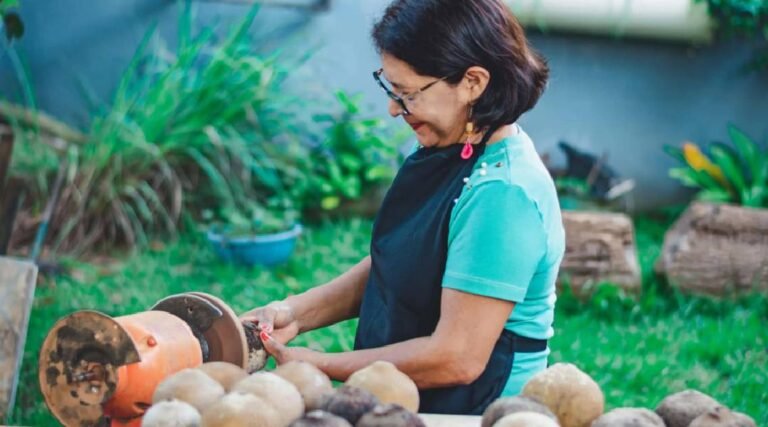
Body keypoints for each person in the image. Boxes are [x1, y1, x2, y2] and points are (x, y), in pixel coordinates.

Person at [241, 0, 565, 415]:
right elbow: (403, 262)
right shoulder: (451, 148)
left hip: (476, 408)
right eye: (390, 88)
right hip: (405, 388)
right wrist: (296, 313)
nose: (394, 108)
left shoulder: (503, 193)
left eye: (408, 93)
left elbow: (456, 357)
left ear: (473, 82)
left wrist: (321, 365)